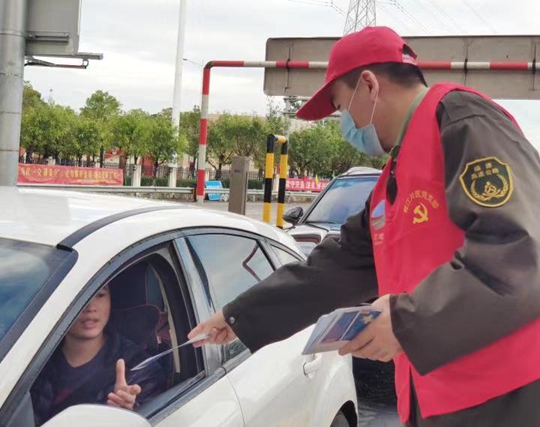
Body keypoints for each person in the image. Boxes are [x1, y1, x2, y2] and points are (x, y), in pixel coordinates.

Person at [189, 26, 540, 426]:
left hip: (504, 395)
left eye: (341, 107)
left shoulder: (463, 121)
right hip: (435, 395)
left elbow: (521, 252)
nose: (345, 125)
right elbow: (337, 267)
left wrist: (405, 321)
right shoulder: (394, 176)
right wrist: (239, 316)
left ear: (370, 85)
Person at [31, 285, 166, 425]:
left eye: (100, 295)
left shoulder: (140, 369)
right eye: (80, 296)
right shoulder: (32, 359)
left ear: (110, 300)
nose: (90, 307)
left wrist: (129, 412)